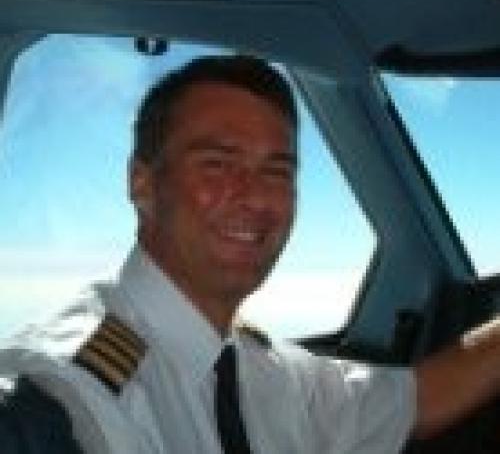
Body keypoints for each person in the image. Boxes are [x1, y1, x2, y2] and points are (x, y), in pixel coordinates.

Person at [1, 54, 500, 453]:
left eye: (277, 172)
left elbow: (418, 399)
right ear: (142, 183)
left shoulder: (266, 373)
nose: (256, 197)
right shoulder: (62, 393)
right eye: (218, 164)